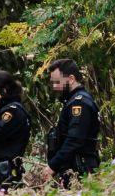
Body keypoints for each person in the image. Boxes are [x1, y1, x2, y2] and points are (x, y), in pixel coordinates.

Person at [42, 58, 100, 186]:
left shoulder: (79, 103)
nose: (55, 87)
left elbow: (75, 140)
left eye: (57, 82)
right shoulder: (74, 101)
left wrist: (53, 166)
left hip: (80, 169)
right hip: (74, 168)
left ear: (71, 79)